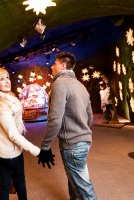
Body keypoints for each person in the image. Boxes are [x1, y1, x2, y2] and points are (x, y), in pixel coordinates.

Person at [0, 68, 54, 200]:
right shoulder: (1, 105)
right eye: (1, 79)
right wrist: (38, 152)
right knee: (18, 181)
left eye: (7, 77)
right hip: (10, 153)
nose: (7, 81)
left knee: (5, 182)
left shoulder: (4, 99)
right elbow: (13, 134)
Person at [39, 52, 97, 200]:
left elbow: (55, 119)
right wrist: (81, 130)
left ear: (63, 66)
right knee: (75, 181)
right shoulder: (80, 86)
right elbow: (89, 116)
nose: (52, 67)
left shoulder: (59, 84)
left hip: (72, 145)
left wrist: (45, 146)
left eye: (55, 64)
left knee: (84, 187)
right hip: (84, 141)